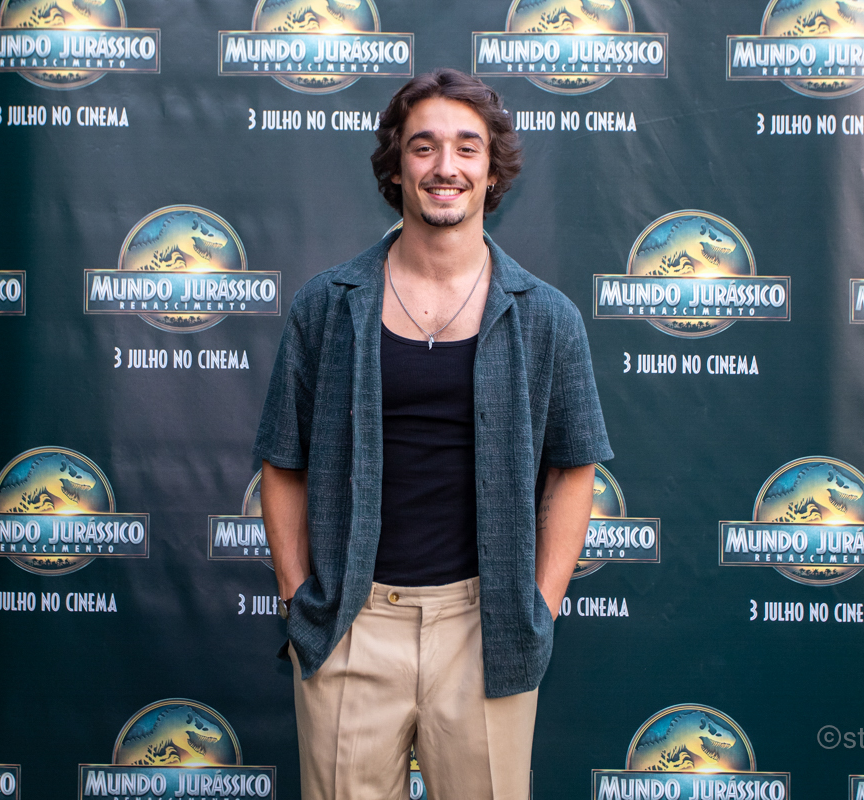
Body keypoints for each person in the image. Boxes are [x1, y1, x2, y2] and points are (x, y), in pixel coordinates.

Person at [253, 68, 612, 800]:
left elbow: (574, 470)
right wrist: (298, 598)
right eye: (423, 147)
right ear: (396, 167)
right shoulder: (326, 306)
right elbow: (283, 462)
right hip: (350, 625)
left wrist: (537, 608)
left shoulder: (547, 317)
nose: (446, 166)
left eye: (467, 148)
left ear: (492, 171)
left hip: (487, 630)